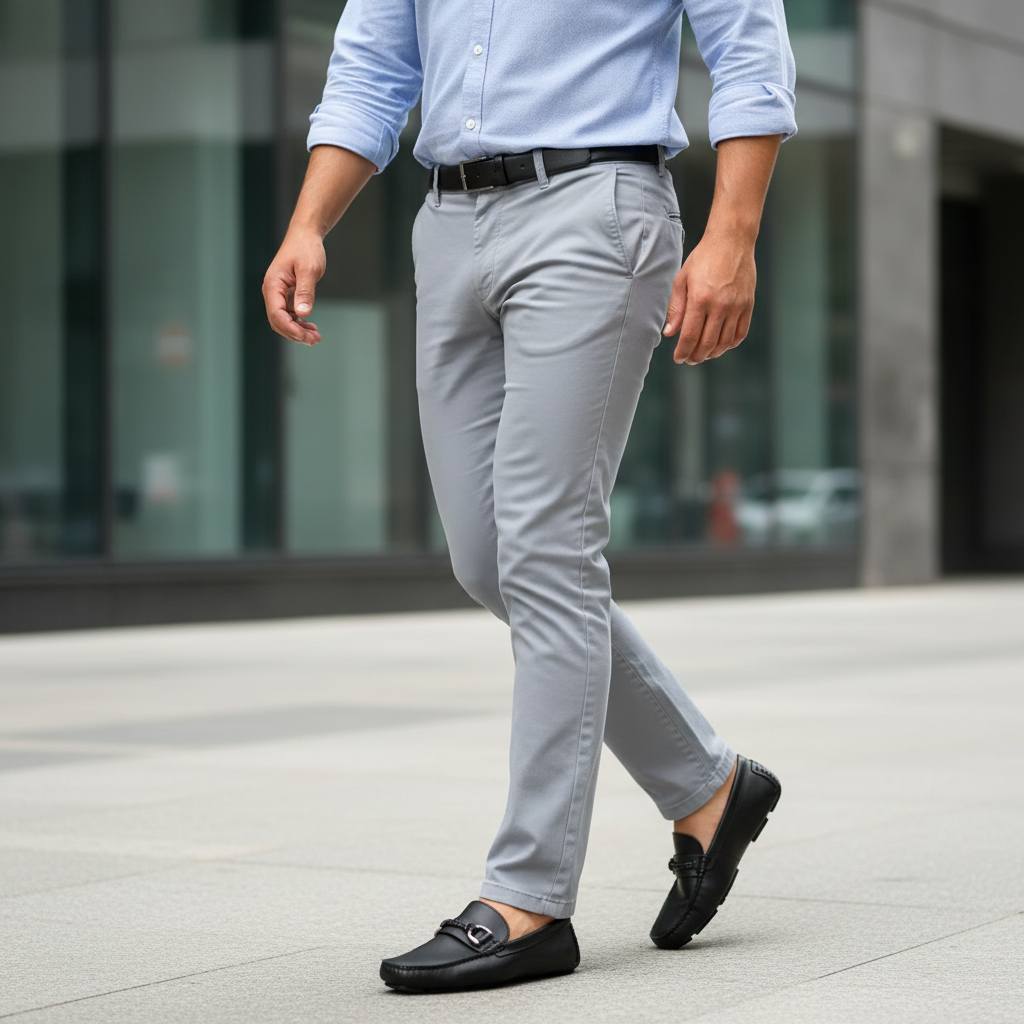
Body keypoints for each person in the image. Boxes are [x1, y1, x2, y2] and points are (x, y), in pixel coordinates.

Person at [263, 0, 794, 993]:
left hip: (596, 205)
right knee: (485, 555)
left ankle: (529, 898)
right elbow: (373, 71)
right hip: (449, 221)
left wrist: (732, 235)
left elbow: (748, 48)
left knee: (546, 548)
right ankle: (711, 787)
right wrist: (306, 224)